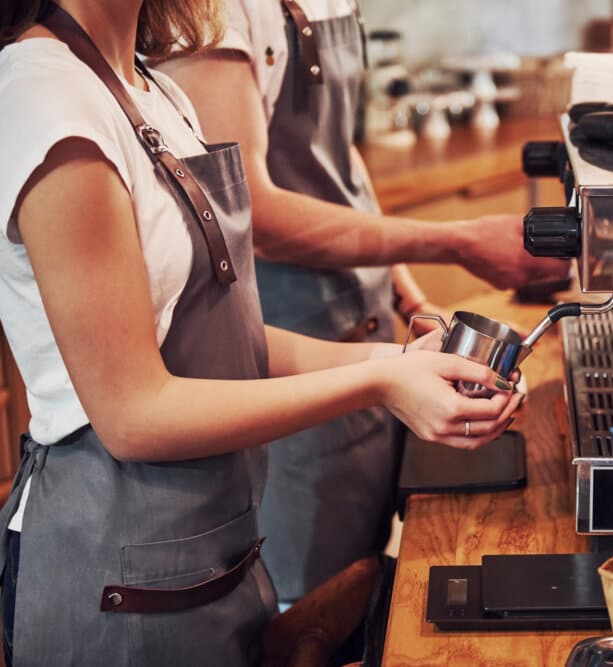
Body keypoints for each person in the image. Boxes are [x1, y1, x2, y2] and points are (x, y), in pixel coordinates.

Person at [0, 1, 521, 664]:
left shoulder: (151, 91)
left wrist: (400, 357)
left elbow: (231, 343)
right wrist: (380, 382)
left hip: (214, 563)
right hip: (118, 591)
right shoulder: (45, 99)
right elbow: (132, 412)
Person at [154, 0, 566, 606]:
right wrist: (453, 240)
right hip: (294, 347)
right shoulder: (216, 13)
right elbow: (254, 214)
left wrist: (408, 295)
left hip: (367, 334)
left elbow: (338, 162)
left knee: (369, 586)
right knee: (311, 605)